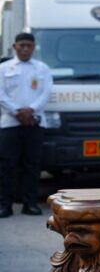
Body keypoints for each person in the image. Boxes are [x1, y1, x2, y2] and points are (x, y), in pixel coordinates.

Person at [0, 32, 53, 217]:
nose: (25, 48)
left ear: (33, 47)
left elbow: (46, 93)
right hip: (10, 123)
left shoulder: (42, 68)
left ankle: (30, 204)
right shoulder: (4, 68)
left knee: (33, 165)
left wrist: (30, 110)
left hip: (35, 123)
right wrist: (18, 112)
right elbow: (1, 94)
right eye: (21, 45)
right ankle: (4, 205)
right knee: (7, 165)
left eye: (28, 45)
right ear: (14, 47)